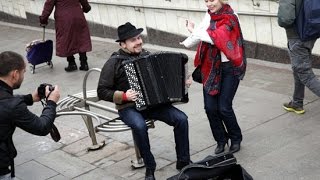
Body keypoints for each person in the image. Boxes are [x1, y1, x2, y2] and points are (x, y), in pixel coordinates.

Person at [97, 22, 191, 180]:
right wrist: (124, 96)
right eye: (133, 40)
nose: (139, 41)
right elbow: (102, 91)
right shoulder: (114, 62)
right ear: (123, 44)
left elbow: (163, 80)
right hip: (128, 108)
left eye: (139, 37)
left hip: (153, 105)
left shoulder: (147, 55)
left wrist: (182, 83)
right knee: (139, 126)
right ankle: (150, 167)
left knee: (181, 119)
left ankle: (183, 161)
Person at [181, 0, 246, 155]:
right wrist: (189, 38)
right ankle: (221, 140)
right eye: (206, 1)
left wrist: (194, 30)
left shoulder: (231, 17)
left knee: (224, 107)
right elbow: (202, 35)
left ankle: (236, 138)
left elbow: (215, 37)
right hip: (210, 67)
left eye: (212, 0)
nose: (209, 4)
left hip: (230, 67)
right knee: (210, 108)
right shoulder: (209, 15)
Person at [0, 51, 60, 179]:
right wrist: (51, 102)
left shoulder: (9, 100)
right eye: (23, 72)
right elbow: (42, 127)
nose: (23, 75)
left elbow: (5, 101)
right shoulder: (13, 105)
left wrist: (30, 98)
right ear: (15, 74)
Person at [278, 0, 320, 115]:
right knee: (298, 69)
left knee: (305, 74)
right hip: (310, 33)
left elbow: (285, 19)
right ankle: (297, 103)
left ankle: (297, 102)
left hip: (297, 36)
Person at [39, 0, 92, 72]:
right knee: (80, 38)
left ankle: (71, 63)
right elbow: (84, 2)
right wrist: (86, 8)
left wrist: (43, 20)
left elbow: (48, 6)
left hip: (64, 19)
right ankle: (84, 63)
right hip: (78, 16)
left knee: (67, 39)